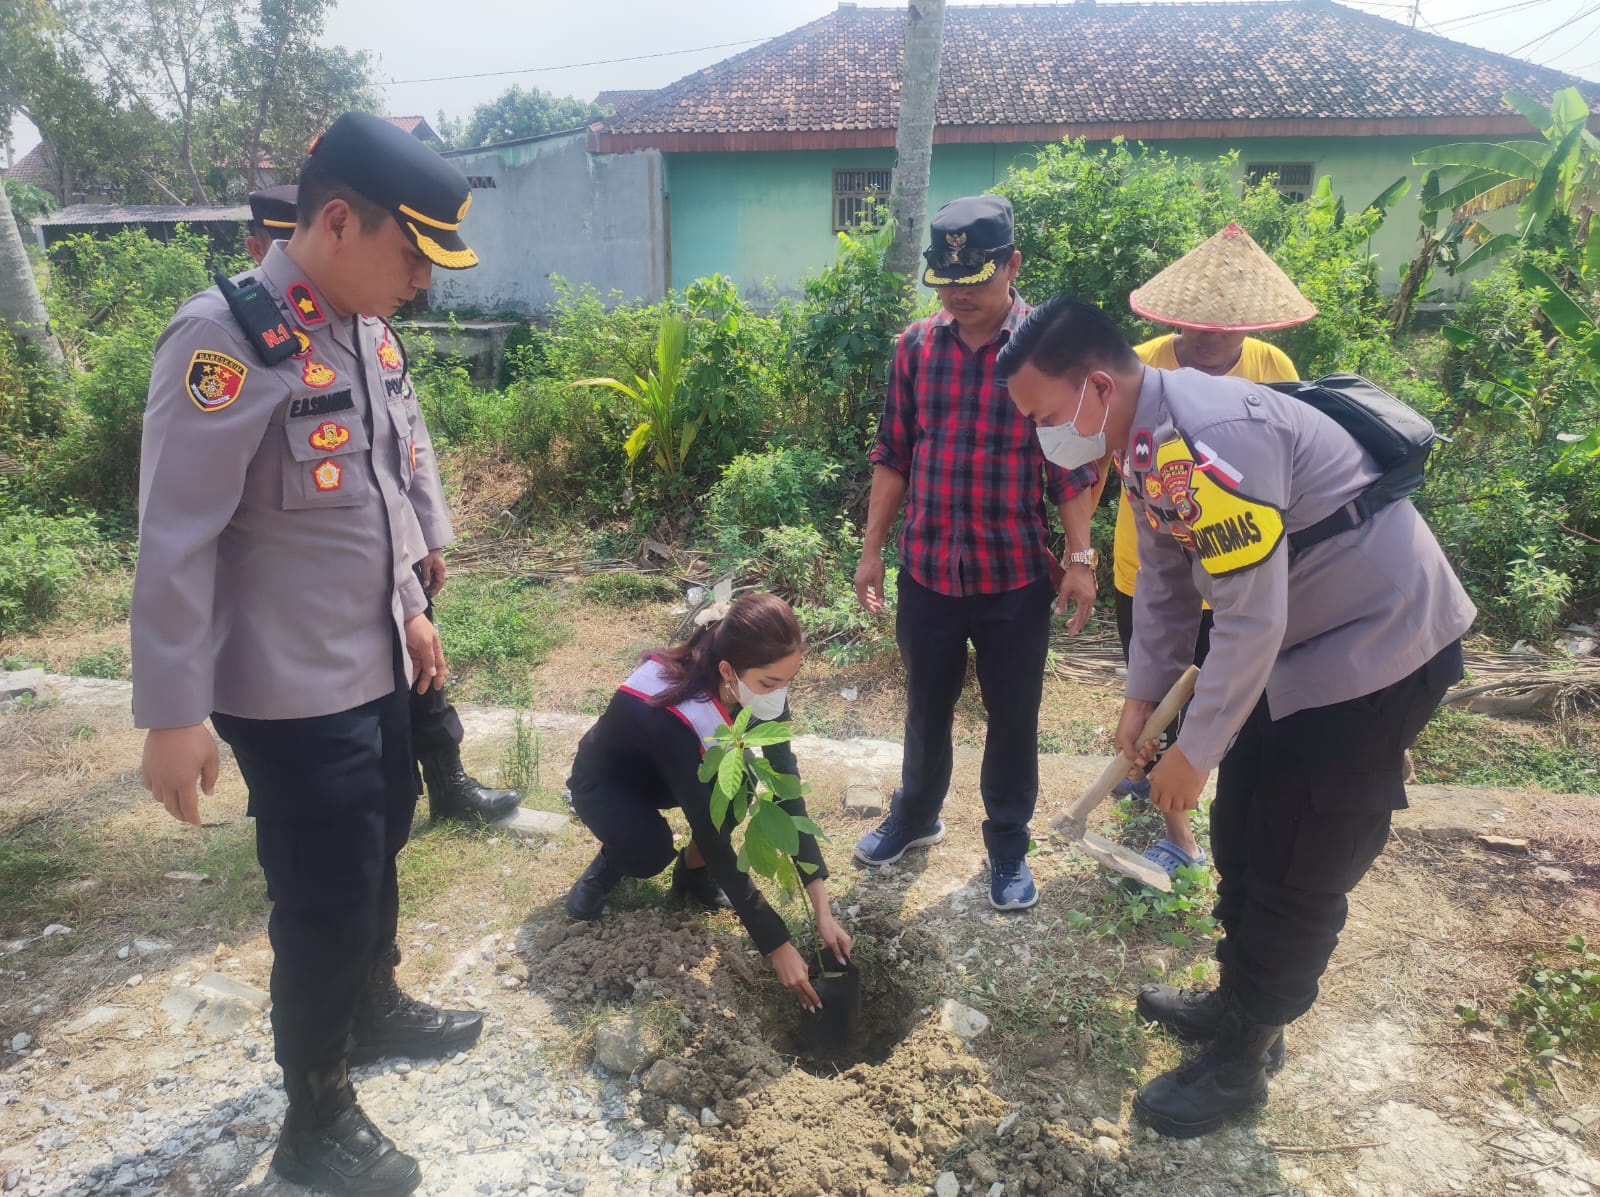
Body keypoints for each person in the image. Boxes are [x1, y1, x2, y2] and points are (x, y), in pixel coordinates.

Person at [999, 295, 1474, 1139]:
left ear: (1097, 387)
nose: (1040, 436)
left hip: (1374, 648)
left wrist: (1196, 750)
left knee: (1302, 852)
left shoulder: (1210, 439)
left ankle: (1244, 1061)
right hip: (1294, 648)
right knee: (1249, 827)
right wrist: (1144, 699)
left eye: (1041, 415)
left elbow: (1251, 619)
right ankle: (1238, 1002)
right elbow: (1171, 586)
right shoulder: (1145, 439)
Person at [134, 112, 495, 1196]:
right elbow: (176, 533)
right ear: (337, 220)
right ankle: (316, 1114)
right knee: (324, 898)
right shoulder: (227, 338)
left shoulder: (359, 328)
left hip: (374, 660)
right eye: (412, 252)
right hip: (287, 690)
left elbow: (377, 497)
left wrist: (410, 609)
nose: (423, 281)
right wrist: (170, 712)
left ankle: (373, 1010)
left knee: (378, 847)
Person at [851, 195, 1099, 912]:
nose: (958, 295)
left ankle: (1008, 843)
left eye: (975, 280)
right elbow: (893, 455)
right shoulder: (915, 350)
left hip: (1013, 578)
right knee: (925, 708)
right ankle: (914, 814)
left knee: (1013, 716)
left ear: (1014, 266)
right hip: (928, 570)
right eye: (947, 282)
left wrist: (1080, 560)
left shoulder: (1048, 355)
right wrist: (872, 551)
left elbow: (1072, 469)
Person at [246, 185, 520, 825]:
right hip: (318, 593)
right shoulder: (248, 335)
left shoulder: (374, 331)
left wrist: (429, 532)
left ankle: (441, 780)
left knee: (420, 661)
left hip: (398, 541)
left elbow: (407, 436)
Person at [1107, 222, 1313, 877]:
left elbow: (1289, 469)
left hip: (1236, 574)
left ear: (1249, 327)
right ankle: (1176, 828)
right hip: (1150, 567)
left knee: (1222, 692)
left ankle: (1201, 811)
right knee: (1155, 694)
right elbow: (1103, 463)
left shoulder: (1272, 371)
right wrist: (1076, 553)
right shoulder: (1142, 366)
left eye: (1219, 330)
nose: (1202, 340)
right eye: (1190, 326)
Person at [564, 594, 853, 1010]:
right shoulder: (672, 707)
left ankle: (694, 875)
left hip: (677, 773)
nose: (778, 696)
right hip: (610, 781)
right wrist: (776, 944)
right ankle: (614, 858)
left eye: (788, 681)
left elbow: (787, 788)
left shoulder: (758, 683)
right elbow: (710, 829)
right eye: (770, 684)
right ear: (726, 670)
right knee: (649, 853)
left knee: (738, 790)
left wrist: (822, 907)